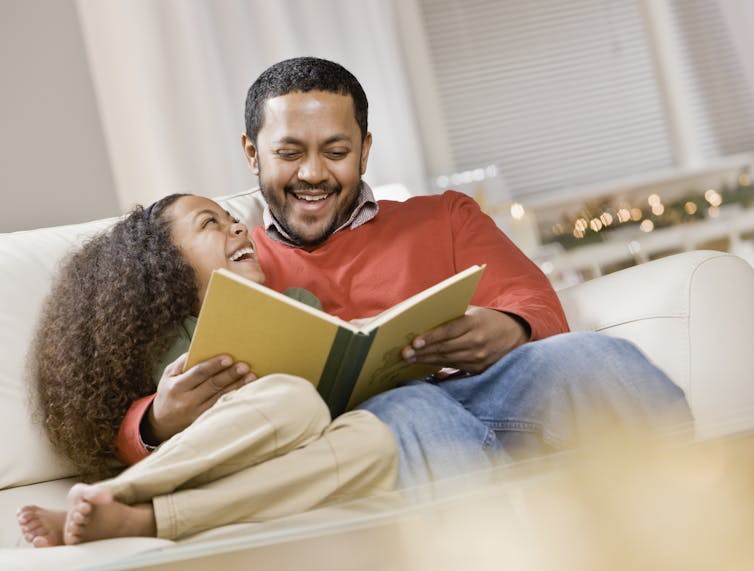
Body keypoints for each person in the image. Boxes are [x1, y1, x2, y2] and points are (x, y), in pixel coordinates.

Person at [116, 56, 693, 488]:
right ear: (253, 154)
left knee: (593, 357)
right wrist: (159, 420)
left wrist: (510, 327)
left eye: (335, 151)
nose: (312, 173)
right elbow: (128, 405)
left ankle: (704, 519)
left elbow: (536, 303)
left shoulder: (444, 216)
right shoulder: (233, 264)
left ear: (365, 150)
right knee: (406, 409)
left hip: (486, 391)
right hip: (375, 431)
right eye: (290, 152)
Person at [16, 193, 397, 547]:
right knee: (295, 398)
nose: (236, 227)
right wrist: (159, 418)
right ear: (165, 260)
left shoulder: (300, 304)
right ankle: (115, 494)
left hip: (291, 460)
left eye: (233, 219)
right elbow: (130, 427)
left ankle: (143, 520)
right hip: (224, 454)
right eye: (209, 223)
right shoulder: (162, 343)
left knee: (375, 440)